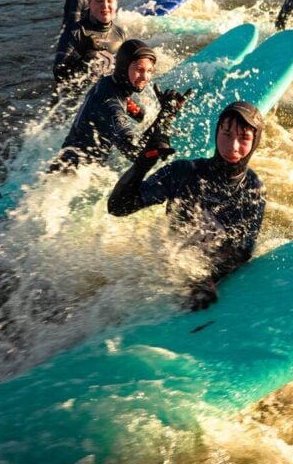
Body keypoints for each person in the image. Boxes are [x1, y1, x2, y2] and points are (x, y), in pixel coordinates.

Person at [108, 101, 266, 311]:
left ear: (255, 142)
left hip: (213, 279)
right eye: (227, 134)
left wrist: (205, 277)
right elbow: (118, 207)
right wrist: (142, 163)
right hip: (168, 269)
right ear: (217, 131)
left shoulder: (253, 190)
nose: (233, 146)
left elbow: (242, 252)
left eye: (244, 138)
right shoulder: (183, 172)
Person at [50, 39, 189, 172]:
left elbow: (141, 117)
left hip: (73, 170)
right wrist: (164, 116)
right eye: (139, 70)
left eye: (149, 71)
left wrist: (167, 115)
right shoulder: (110, 103)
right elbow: (134, 152)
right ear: (123, 67)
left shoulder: (111, 84)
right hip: (70, 178)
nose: (145, 77)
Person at [53, 0, 127, 88]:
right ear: (89, 3)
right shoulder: (75, 32)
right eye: (99, 0)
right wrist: (81, 51)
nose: (105, 6)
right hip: (77, 100)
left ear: (116, 3)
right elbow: (59, 76)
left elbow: (124, 76)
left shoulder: (120, 34)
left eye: (110, 1)